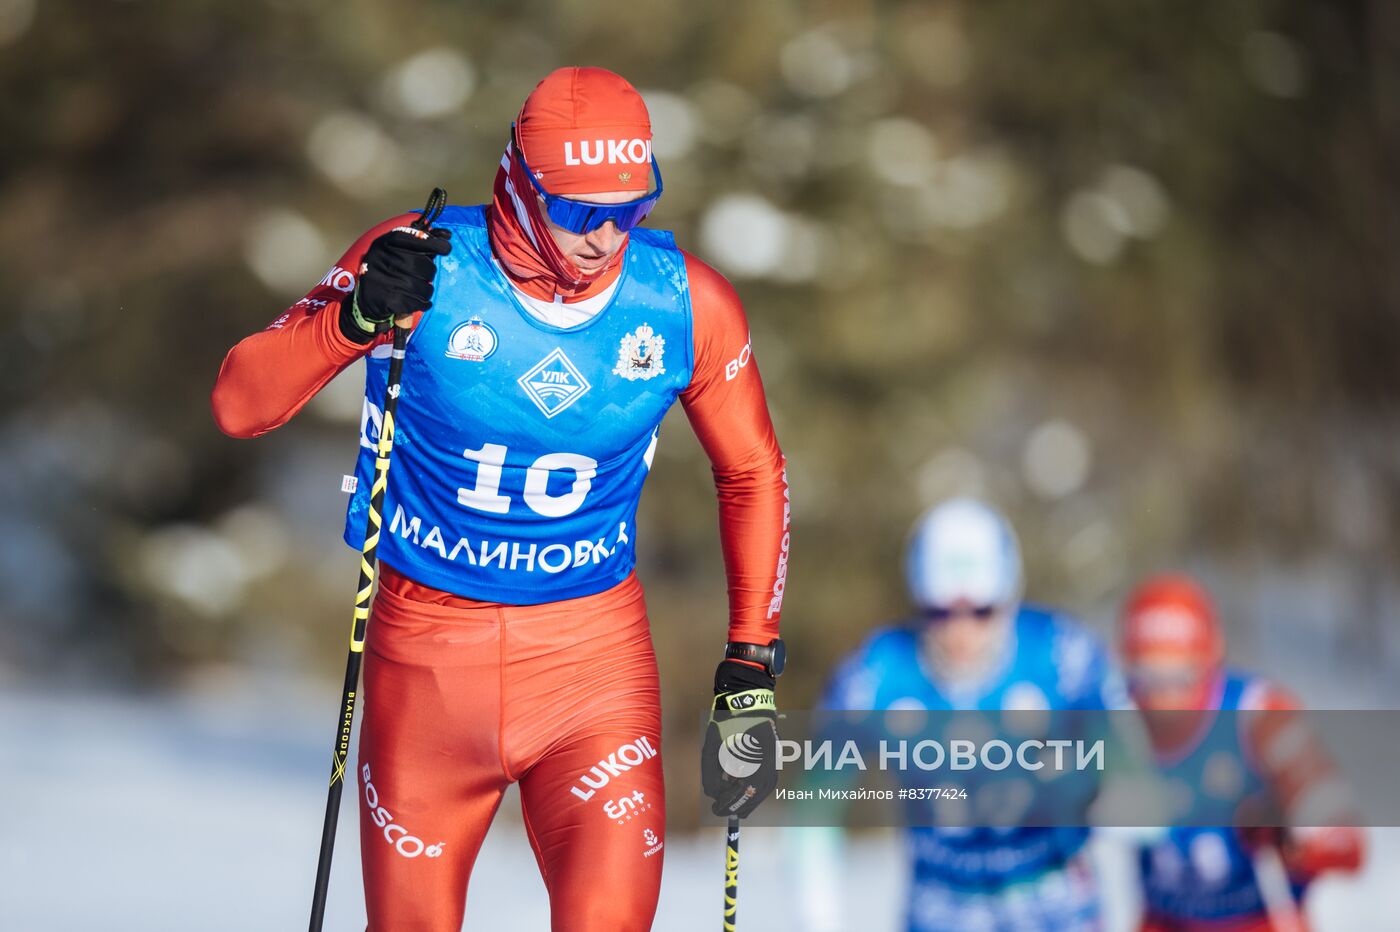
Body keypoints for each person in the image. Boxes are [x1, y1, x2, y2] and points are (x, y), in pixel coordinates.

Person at [211, 66, 789, 931]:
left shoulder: (682, 303)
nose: (606, 236)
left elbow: (752, 471)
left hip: (593, 669)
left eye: (630, 209)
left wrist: (752, 652)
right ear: (519, 183)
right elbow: (240, 403)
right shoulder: (424, 263)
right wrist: (354, 319)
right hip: (429, 667)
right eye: (580, 210)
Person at [795, 497, 1128, 932]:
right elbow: (816, 804)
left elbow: (1140, 785)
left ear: (1009, 597)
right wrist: (817, 916)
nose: (960, 630)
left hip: (1055, 905)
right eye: (939, 612)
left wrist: (1086, 785)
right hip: (940, 910)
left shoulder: (1062, 655)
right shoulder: (877, 672)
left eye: (981, 611)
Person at [1119, 575, 1364, 932]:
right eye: (1148, 676)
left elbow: (1345, 841)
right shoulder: (1116, 714)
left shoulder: (1257, 713)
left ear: (1210, 656)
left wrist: (1289, 834)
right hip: (1164, 919)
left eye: (1181, 675)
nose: (1163, 697)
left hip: (1258, 917)